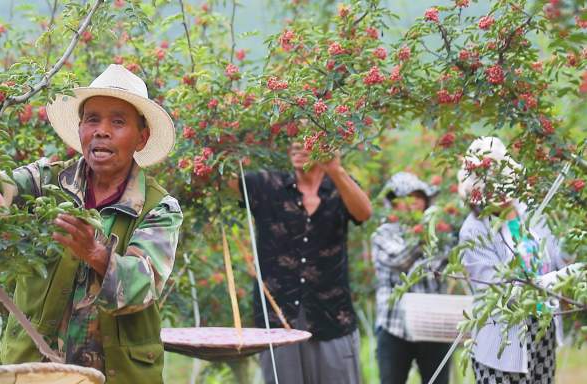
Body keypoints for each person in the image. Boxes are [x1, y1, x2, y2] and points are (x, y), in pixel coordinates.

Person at [0, 64, 183, 384]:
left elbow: (142, 287)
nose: (102, 130)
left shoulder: (159, 208)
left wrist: (95, 253)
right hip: (38, 371)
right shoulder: (46, 181)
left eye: (118, 121)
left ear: (142, 137)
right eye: (92, 119)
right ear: (82, 128)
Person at [229, 143, 372, 384]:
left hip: (331, 316)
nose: (297, 147)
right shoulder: (267, 186)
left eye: (306, 143)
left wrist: (336, 170)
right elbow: (217, 178)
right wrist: (228, 142)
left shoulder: (341, 187)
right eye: (293, 143)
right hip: (278, 319)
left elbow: (364, 213)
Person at [457, 136, 570, 384]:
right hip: (501, 340)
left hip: (543, 329)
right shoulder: (474, 230)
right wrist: (557, 280)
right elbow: (496, 290)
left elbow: (556, 256)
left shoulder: (531, 212)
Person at [371, 172, 451, 384]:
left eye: (418, 197)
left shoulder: (439, 235)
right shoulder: (383, 234)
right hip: (393, 325)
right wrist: (421, 235)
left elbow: (439, 267)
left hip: (433, 325)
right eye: (408, 198)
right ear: (395, 203)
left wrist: (433, 233)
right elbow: (399, 260)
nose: (414, 203)